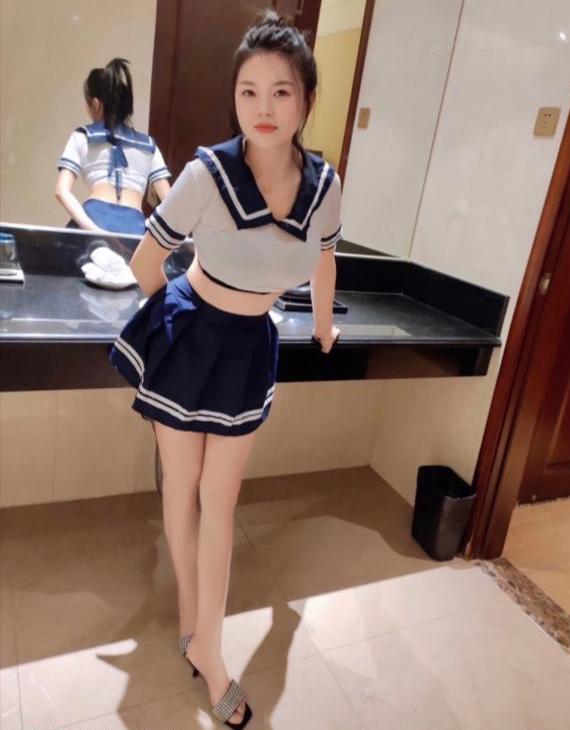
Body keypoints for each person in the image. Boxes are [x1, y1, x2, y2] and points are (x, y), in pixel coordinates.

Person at [109, 11, 341, 728]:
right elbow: (146, 263)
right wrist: (177, 327)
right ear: (234, 97)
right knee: (183, 489)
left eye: (281, 91)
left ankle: (202, 638)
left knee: (221, 497)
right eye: (248, 91)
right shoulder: (209, 173)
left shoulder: (324, 185)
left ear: (306, 99)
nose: (263, 107)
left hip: (249, 344)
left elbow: (325, 257)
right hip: (192, 334)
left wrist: (324, 325)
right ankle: (204, 641)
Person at [55, 58, 171, 235]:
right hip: (135, 228)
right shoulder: (149, 145)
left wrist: (93, 230)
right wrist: (149, 230)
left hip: (95, 218)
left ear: (95, 103)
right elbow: (170, 203)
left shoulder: (82, 136)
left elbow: (61, 191)